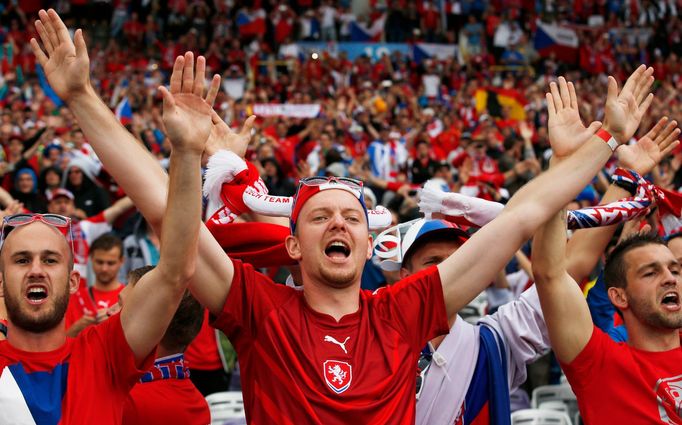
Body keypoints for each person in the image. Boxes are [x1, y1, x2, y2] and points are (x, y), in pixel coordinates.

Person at [32, 9, 656, 422]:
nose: (338, 224)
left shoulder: (406, 308)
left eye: (351, 217)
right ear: (294, 246)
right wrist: (89, 100)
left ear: (368, 241)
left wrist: (604, 142)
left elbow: (525, 216)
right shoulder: (259, 308)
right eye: (320, 216)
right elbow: (168, 213)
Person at [0, 16, 207, 422]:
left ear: (75, 280)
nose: (37, 270)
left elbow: (176, 271)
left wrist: (186, 155)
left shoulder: (105, 354)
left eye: (51, 259)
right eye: (21, 260)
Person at [532, 198, 682, 421]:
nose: (670, 278)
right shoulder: (600, 365)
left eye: (676, 270)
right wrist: (571, 170)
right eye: (650, 273)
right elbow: (550, 274)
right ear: (619, 296)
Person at [119, 266, 211, 425]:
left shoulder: (126, 401)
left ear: (150, 327)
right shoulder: (198, 404)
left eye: (120, 306)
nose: (108, 312)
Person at [66, 233, 126, 337]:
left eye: (110, 263)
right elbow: (60, 345)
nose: (104, 268)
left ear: (122, 261)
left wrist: (118, 321)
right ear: (91, 259)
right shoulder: (74, 297)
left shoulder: (129, 298)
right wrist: (78, 328)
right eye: (99, 262)